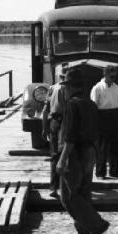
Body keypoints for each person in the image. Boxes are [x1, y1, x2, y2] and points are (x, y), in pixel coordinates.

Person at [56, 68, 110, 234]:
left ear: (69, 87)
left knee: (69, 196)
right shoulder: (90, 104)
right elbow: (97, 132)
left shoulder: (72, 105)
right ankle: (84, 231)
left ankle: (97, 225)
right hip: (89, 153)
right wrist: (99, 154)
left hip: (75, 155)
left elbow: (70, 136)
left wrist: (62, 159)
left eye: (65, 86)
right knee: (84, 193)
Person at [90, 66, 118, 179]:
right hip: (102, 116)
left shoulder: (116, 87)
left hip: (115, 116)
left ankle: (115, 171)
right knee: (102, 147)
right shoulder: (97, 88)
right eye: (112, 76)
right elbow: (93, 106)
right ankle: (100, 172)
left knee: (116, 145)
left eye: (115, 76)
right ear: (105, 75)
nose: (114, 78)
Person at [43, 67, 69, 199]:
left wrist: (44, 127)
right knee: (66, 154)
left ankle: (53, 187)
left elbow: (45, 110)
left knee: (54, 155)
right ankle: (66, 187)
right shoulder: (67, 90)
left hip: (53, 121)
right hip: (64, 122)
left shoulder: (52, 88)